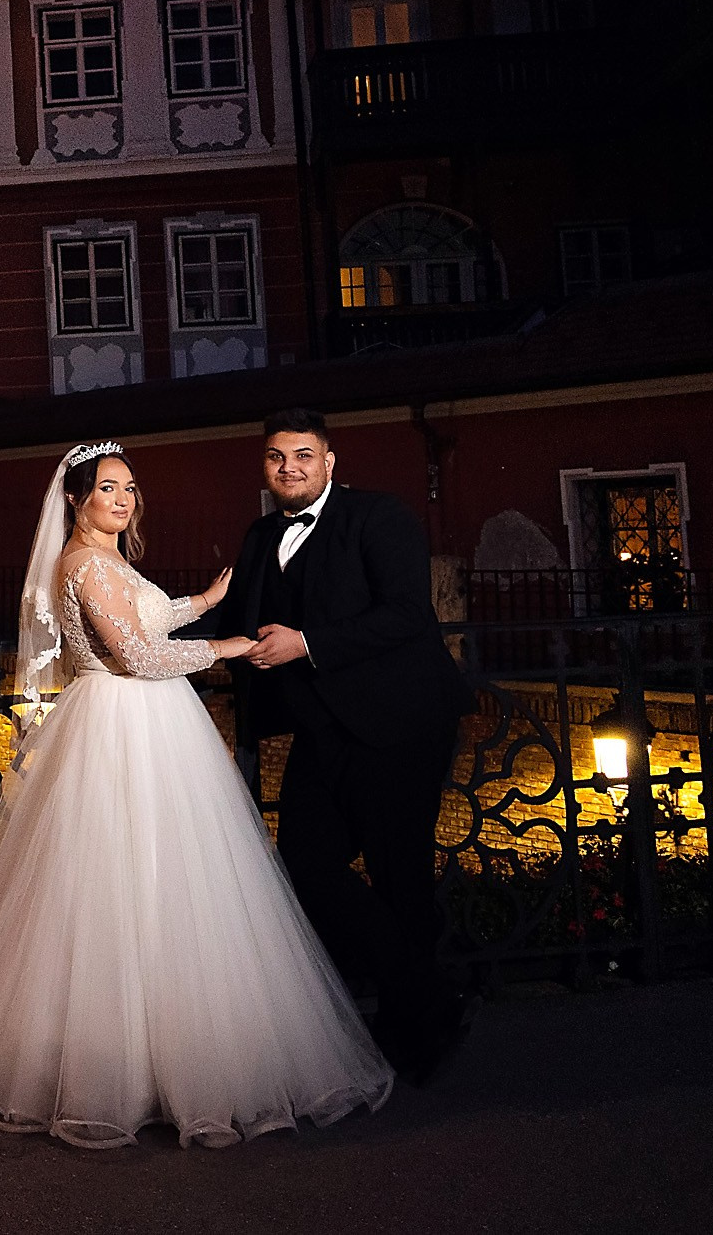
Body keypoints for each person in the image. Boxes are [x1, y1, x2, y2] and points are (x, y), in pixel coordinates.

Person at [0, 441, 392, 1147]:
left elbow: (144, 621)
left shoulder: (109, 559)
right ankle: (121, 1072)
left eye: (129, 488)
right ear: (76, 498)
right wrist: (229, 645)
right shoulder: (83, 562)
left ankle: (167, 1063)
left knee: (171, 886)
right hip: (119, 724)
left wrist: (204, 602)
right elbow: (136, 656)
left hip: (155, 725)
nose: (123, 500)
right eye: (108, 489)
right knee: (118, 892)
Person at [215, 408, 474, 1085]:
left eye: (303, 455)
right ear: (264, 466)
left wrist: (306, 644)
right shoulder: (259, 534)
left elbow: (406, 614)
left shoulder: (378, 517)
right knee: (303, 864)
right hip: (323, 730)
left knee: (400, 876)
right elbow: (229, 615)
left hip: (400, 724)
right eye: (276, 457)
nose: (289, 468)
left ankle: (416, 1032)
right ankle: (431, 995)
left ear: (329, 462)